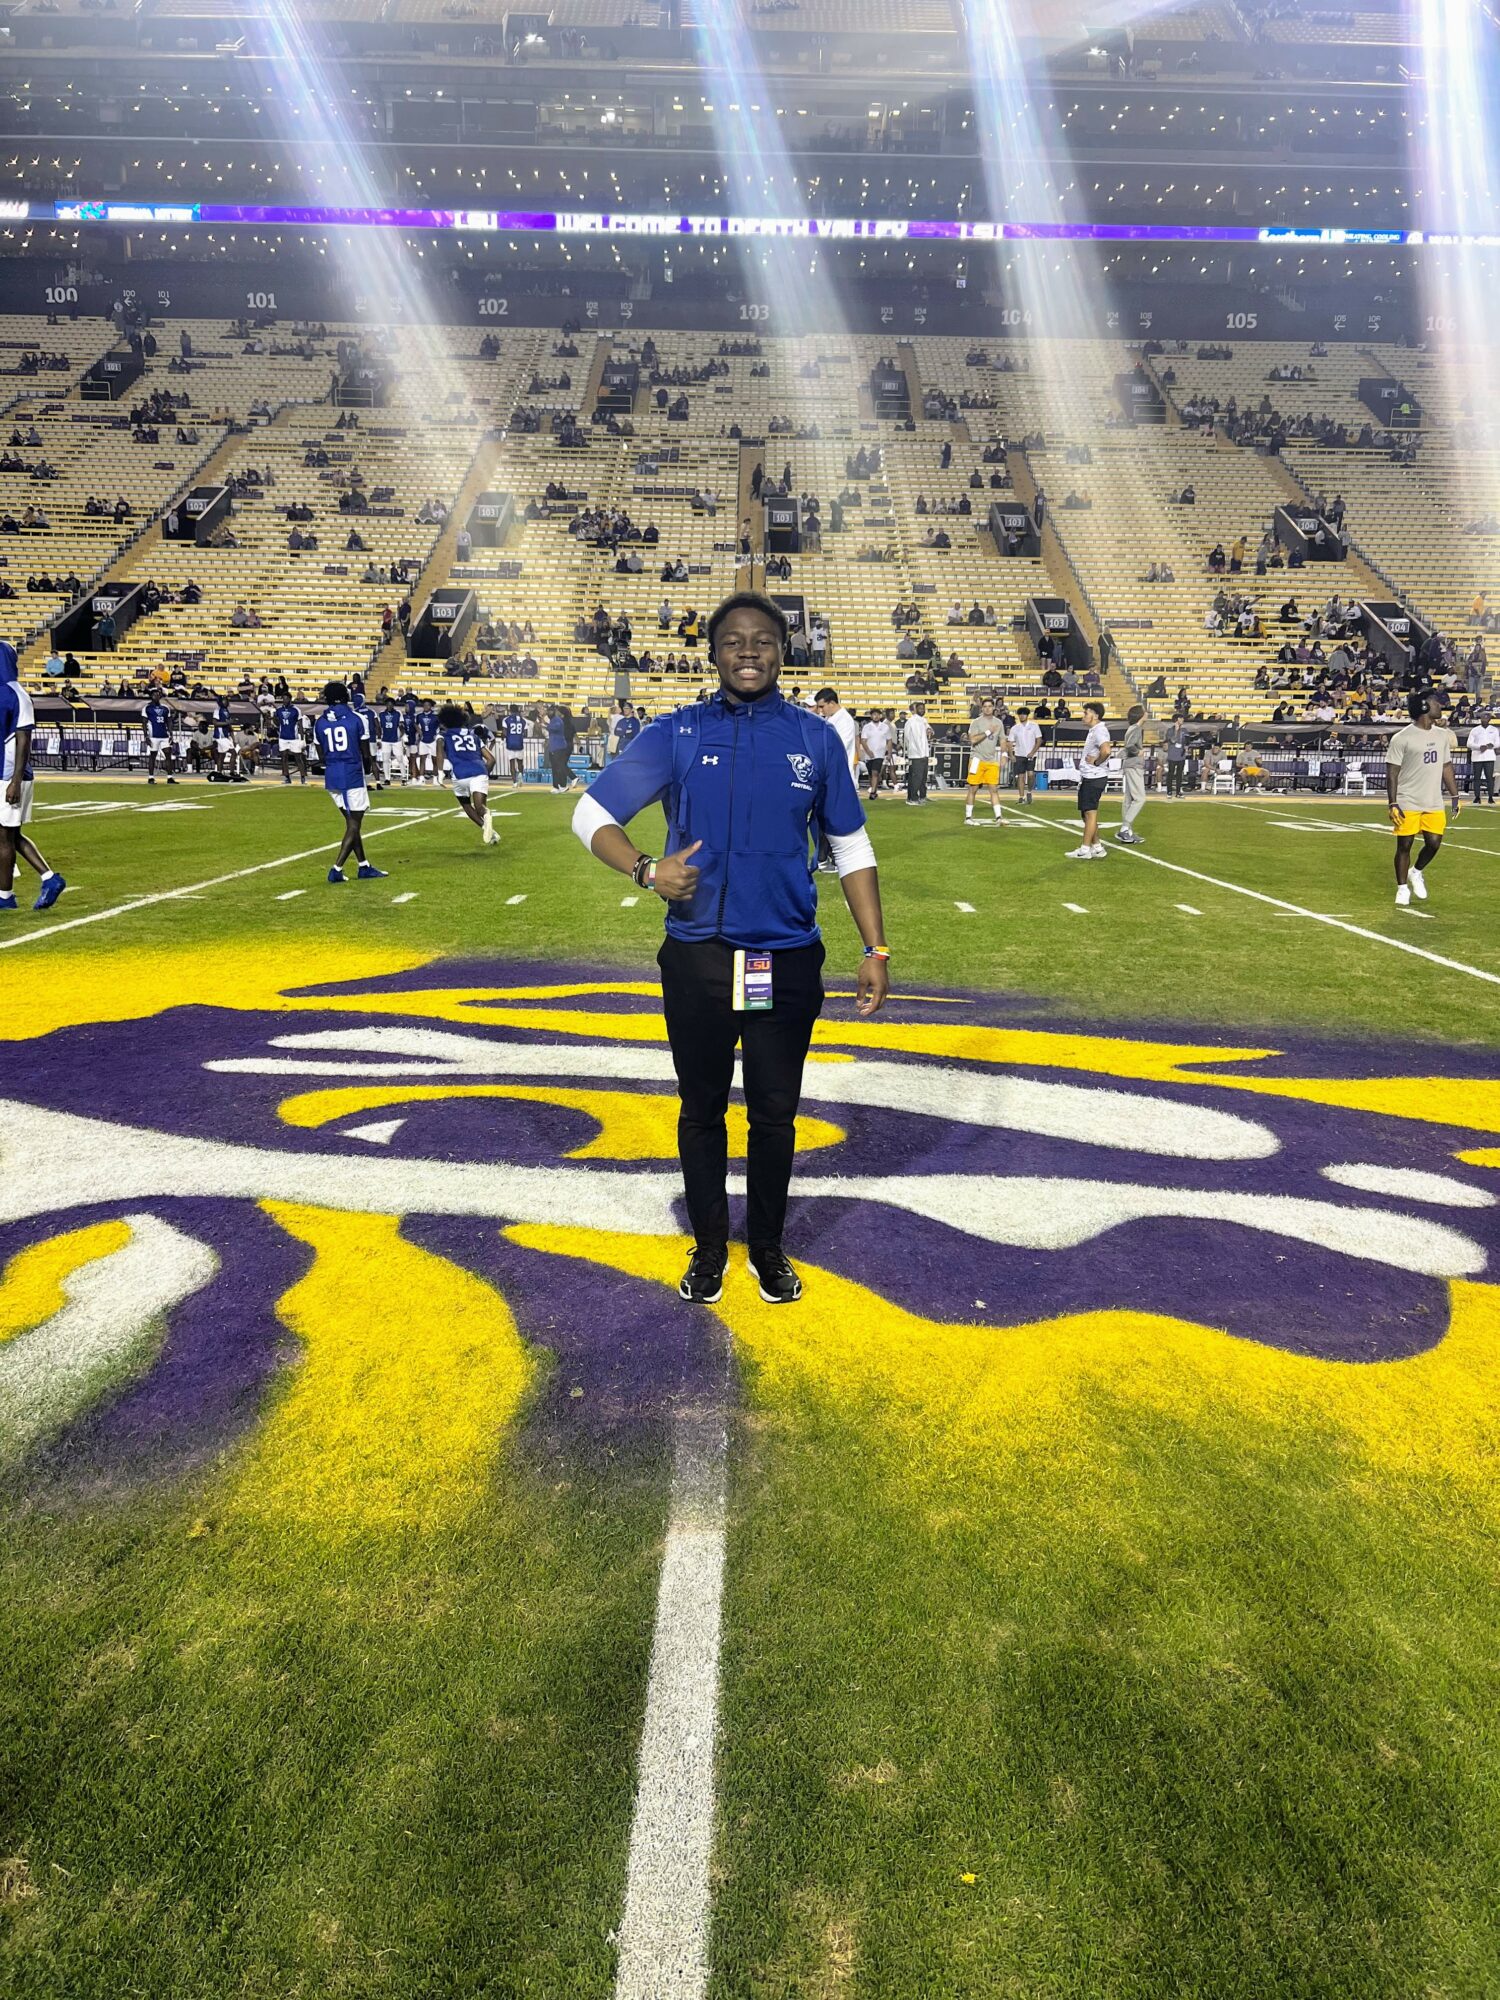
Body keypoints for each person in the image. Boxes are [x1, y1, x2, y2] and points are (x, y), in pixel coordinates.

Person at [571, 590, 889, 1307]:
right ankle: (711, 1247)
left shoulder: (815, 739)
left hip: (785, 958)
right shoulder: (677, 733)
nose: (749, 651)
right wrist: (647, 870)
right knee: (702, 1109)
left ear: (784, 651)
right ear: (712, 654)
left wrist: (877, 947)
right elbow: (590, 813)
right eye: (734, 641)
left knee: (775, 1114)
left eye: (764, 640)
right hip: (700, 958)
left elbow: (851, 842)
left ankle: (768, 1248)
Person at [0, 641, 66, 912]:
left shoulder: (16, 693)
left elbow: (24, 739)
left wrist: (15, 781)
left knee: (5, 836)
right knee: (9, 835)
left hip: (9, 774)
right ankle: (48, 879)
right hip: (4, 773)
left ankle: (6, 897)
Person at [1387, 689, 1461, 907]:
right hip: (1408, 798)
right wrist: (1392, 802)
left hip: (1433, 799)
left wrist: (1455, 795)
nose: (1440, 705)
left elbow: (1446, 766)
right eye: (1435, 702)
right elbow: (1392, 771)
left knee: (1434, 842)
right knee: (1405, 844)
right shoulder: (1402, 738)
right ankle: (1402, 888)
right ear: (1424, 707)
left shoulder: (1441, 735)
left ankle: (1416, 872)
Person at [312, 682, 387, 884]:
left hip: (333, 775)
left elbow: (321, 755)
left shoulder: (319, 722)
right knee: (354, 824)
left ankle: (364, 866)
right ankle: (337, 868)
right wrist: (370, 768)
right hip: (352, 773)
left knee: (351, 824)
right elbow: (365, 752)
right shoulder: (358, 718)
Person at [812, 687, 859, 872]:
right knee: (827, 819)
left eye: (822, 706)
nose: (821, 711)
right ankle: (824, 858)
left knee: (832, 819)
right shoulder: (834, 720)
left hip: (837, 776)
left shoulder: (844, 721)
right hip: (831, 776)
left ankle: (827, 857)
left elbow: (836, 746)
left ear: (832, 703)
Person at [438, 704, 497, 845]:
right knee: (481, 807)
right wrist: (484, 775)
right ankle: (487, 819)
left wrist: (440, 773)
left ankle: (487, 830)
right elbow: (491, 759)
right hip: (479, 771)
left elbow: (439, 752)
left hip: (460, 775)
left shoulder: (443, 735)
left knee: (465, 804)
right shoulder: (474, 735)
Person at [1069, 701, 1111, 859]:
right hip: (1090, 777)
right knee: (1086, 814)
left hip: (1095, 777)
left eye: (1086, 713)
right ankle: (1098, 847)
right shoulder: (1095, 730)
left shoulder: (1100, 730)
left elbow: (1106, 750)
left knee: (1090, 813)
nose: (1083, 716)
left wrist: (1096, 762)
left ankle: (1085, 850)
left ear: (1095, 715)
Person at [964, 697, 1005, 827]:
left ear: (993, 708)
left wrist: (1004, 754)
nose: (987, 708)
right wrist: (988, 732)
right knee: (973, 788)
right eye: (985, 706)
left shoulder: (998, 723)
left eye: (990, 706)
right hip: (977, 759)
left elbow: (1003, 740)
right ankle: (968, 817)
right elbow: (973, 740)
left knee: (994, 789)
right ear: (982, 708)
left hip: (991, 760)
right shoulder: (976, 722)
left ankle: (998, 817)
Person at [1115, 704, 1148, 845]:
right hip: (1134, 765)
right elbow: (1129, 746)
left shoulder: (1132, 728)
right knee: (1140, 798)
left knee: (1128, 799)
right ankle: (1125, 828)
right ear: (1140, 715)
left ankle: (1127, 831)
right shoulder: (1136, 729)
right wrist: (1138, 752)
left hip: (1130, 765)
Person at [1008, 707, 1042, 806]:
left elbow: (1039, 740)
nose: (1022, 716)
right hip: (1019, 754)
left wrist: (1033, 752)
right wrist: (1011, 755)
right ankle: (1021, 797)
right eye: (1020, 714)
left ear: (1027, 715)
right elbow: (1010, 742)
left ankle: (1029, 791)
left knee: (1031, 775)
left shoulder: (1034, 726)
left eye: (1024, 714)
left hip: (1031, 754)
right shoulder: (1015, 728)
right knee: (1020, 776)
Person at [142, 690, 176, 783]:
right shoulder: (147, 708)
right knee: (153, 756)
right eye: (154, 695)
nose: (156, 696)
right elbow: (144, 723)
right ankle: (151, 777)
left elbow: (169, 721)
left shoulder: (165, 708)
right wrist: (146, 736)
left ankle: (169, 777)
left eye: (158, 695)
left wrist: (171, 734)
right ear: (151, 696)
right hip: (153, 736)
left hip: (164, 735)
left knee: (168, 755)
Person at [1467, 711, 1499, 805]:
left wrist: (1491, 745)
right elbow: (1469, 743)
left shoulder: (1494, 729)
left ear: (1489, 719)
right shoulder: (1475, 730)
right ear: (1480, 719)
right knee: (1477, 778)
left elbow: (1498, 742)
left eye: (1486, 717)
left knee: (1490, 778)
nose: (1484, 719)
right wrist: (1479, 747)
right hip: (1477, 756)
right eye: (1482, 717)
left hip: (1489, 756)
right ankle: (1477, 797)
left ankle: (1490, 797)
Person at [860, 708, 892, 801]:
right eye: (874, 714)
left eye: (878, 714)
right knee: (871, 774)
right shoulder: (867, 727)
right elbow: (863, 740)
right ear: (871, 716)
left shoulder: (885, 727)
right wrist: (868, 751)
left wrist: (889, 753)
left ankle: (873, 792)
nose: (876, 716)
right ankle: (874, 788)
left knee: (875, 772)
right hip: (868, 755)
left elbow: (889, 740)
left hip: (879, 754)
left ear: (880, 716)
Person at [902, 702, 930, 804]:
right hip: (916, 754)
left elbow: (928, 728)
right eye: (920, 708)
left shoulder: (923, 721)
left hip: (924, 753)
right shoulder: (912, 722)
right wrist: (918, 751)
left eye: (923, 708)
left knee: (923, 778)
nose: (922, 710)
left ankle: (922, 796)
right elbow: (910, 739)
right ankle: (912, 798)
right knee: (915, 777)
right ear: (915, 709)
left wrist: (929, 730)